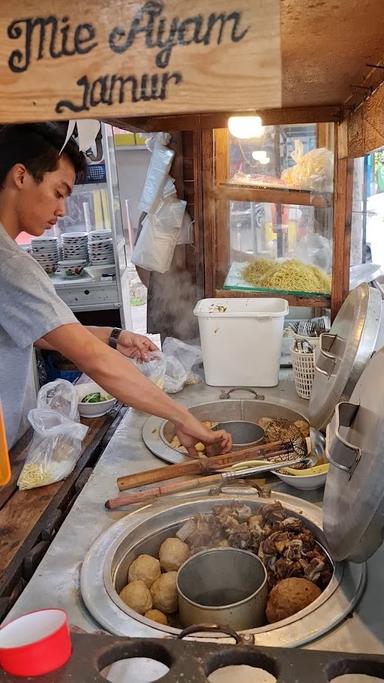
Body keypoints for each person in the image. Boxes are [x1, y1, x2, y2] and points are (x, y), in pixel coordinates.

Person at [0, 123, 231, 457]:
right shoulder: (10, 265)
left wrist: (111, 335)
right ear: (20, 176)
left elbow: (31, 330)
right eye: (59, 192)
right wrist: (183, 417)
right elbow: (94, 362)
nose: (63, 210)